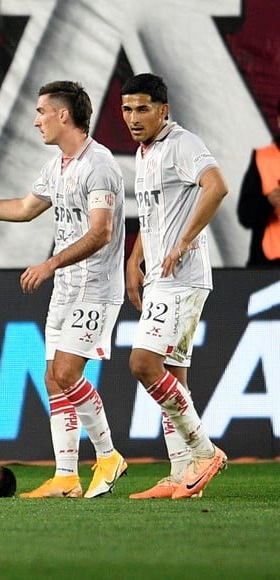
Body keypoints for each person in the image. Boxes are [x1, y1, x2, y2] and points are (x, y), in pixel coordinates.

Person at [0, 81, 127, 499]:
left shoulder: (98, 164)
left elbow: (101, 232)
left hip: (96, 289)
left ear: (63, 115)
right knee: (53, 380)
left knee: (67, 374)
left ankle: (108, 455)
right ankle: (66, 476)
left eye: (41, 112)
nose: (36, 121)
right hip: (67, 288)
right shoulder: (59, 165)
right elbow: (25, 208)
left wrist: (50, 262)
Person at [121, 73, 229, 499]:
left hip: (182, 279)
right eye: (127, 109)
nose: (133, 117)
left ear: (163, 110)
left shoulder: (181, 143)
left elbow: (216, 186)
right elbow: (154, 215)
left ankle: (205, 453)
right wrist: (134, 259)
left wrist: (184, 241)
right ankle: (183, 473)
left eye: (142, 108)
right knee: (173, 379)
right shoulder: (145, 153)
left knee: (144, 365)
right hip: (161, 280)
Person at [237, 98, 280, 268]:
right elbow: (245, 216)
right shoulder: (262, 158)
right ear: (278, 120)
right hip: (268, 270)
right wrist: (267, 203)